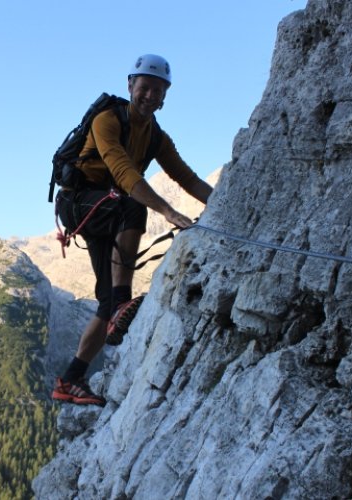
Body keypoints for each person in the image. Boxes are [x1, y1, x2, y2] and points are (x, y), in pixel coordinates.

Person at [52, 54, 214, 406]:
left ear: (165, 94)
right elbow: (123, 171)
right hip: (80, 202)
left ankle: (71, 378)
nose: (150, 96)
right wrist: (167, 210)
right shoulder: (107, 119)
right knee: (131, 202)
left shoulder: (156, 136)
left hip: (104, 208)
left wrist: (221, 204)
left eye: (158, 90)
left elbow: (185, 177)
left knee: (105, 302)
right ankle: (123, 304)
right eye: (145, 88)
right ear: (130, 86)